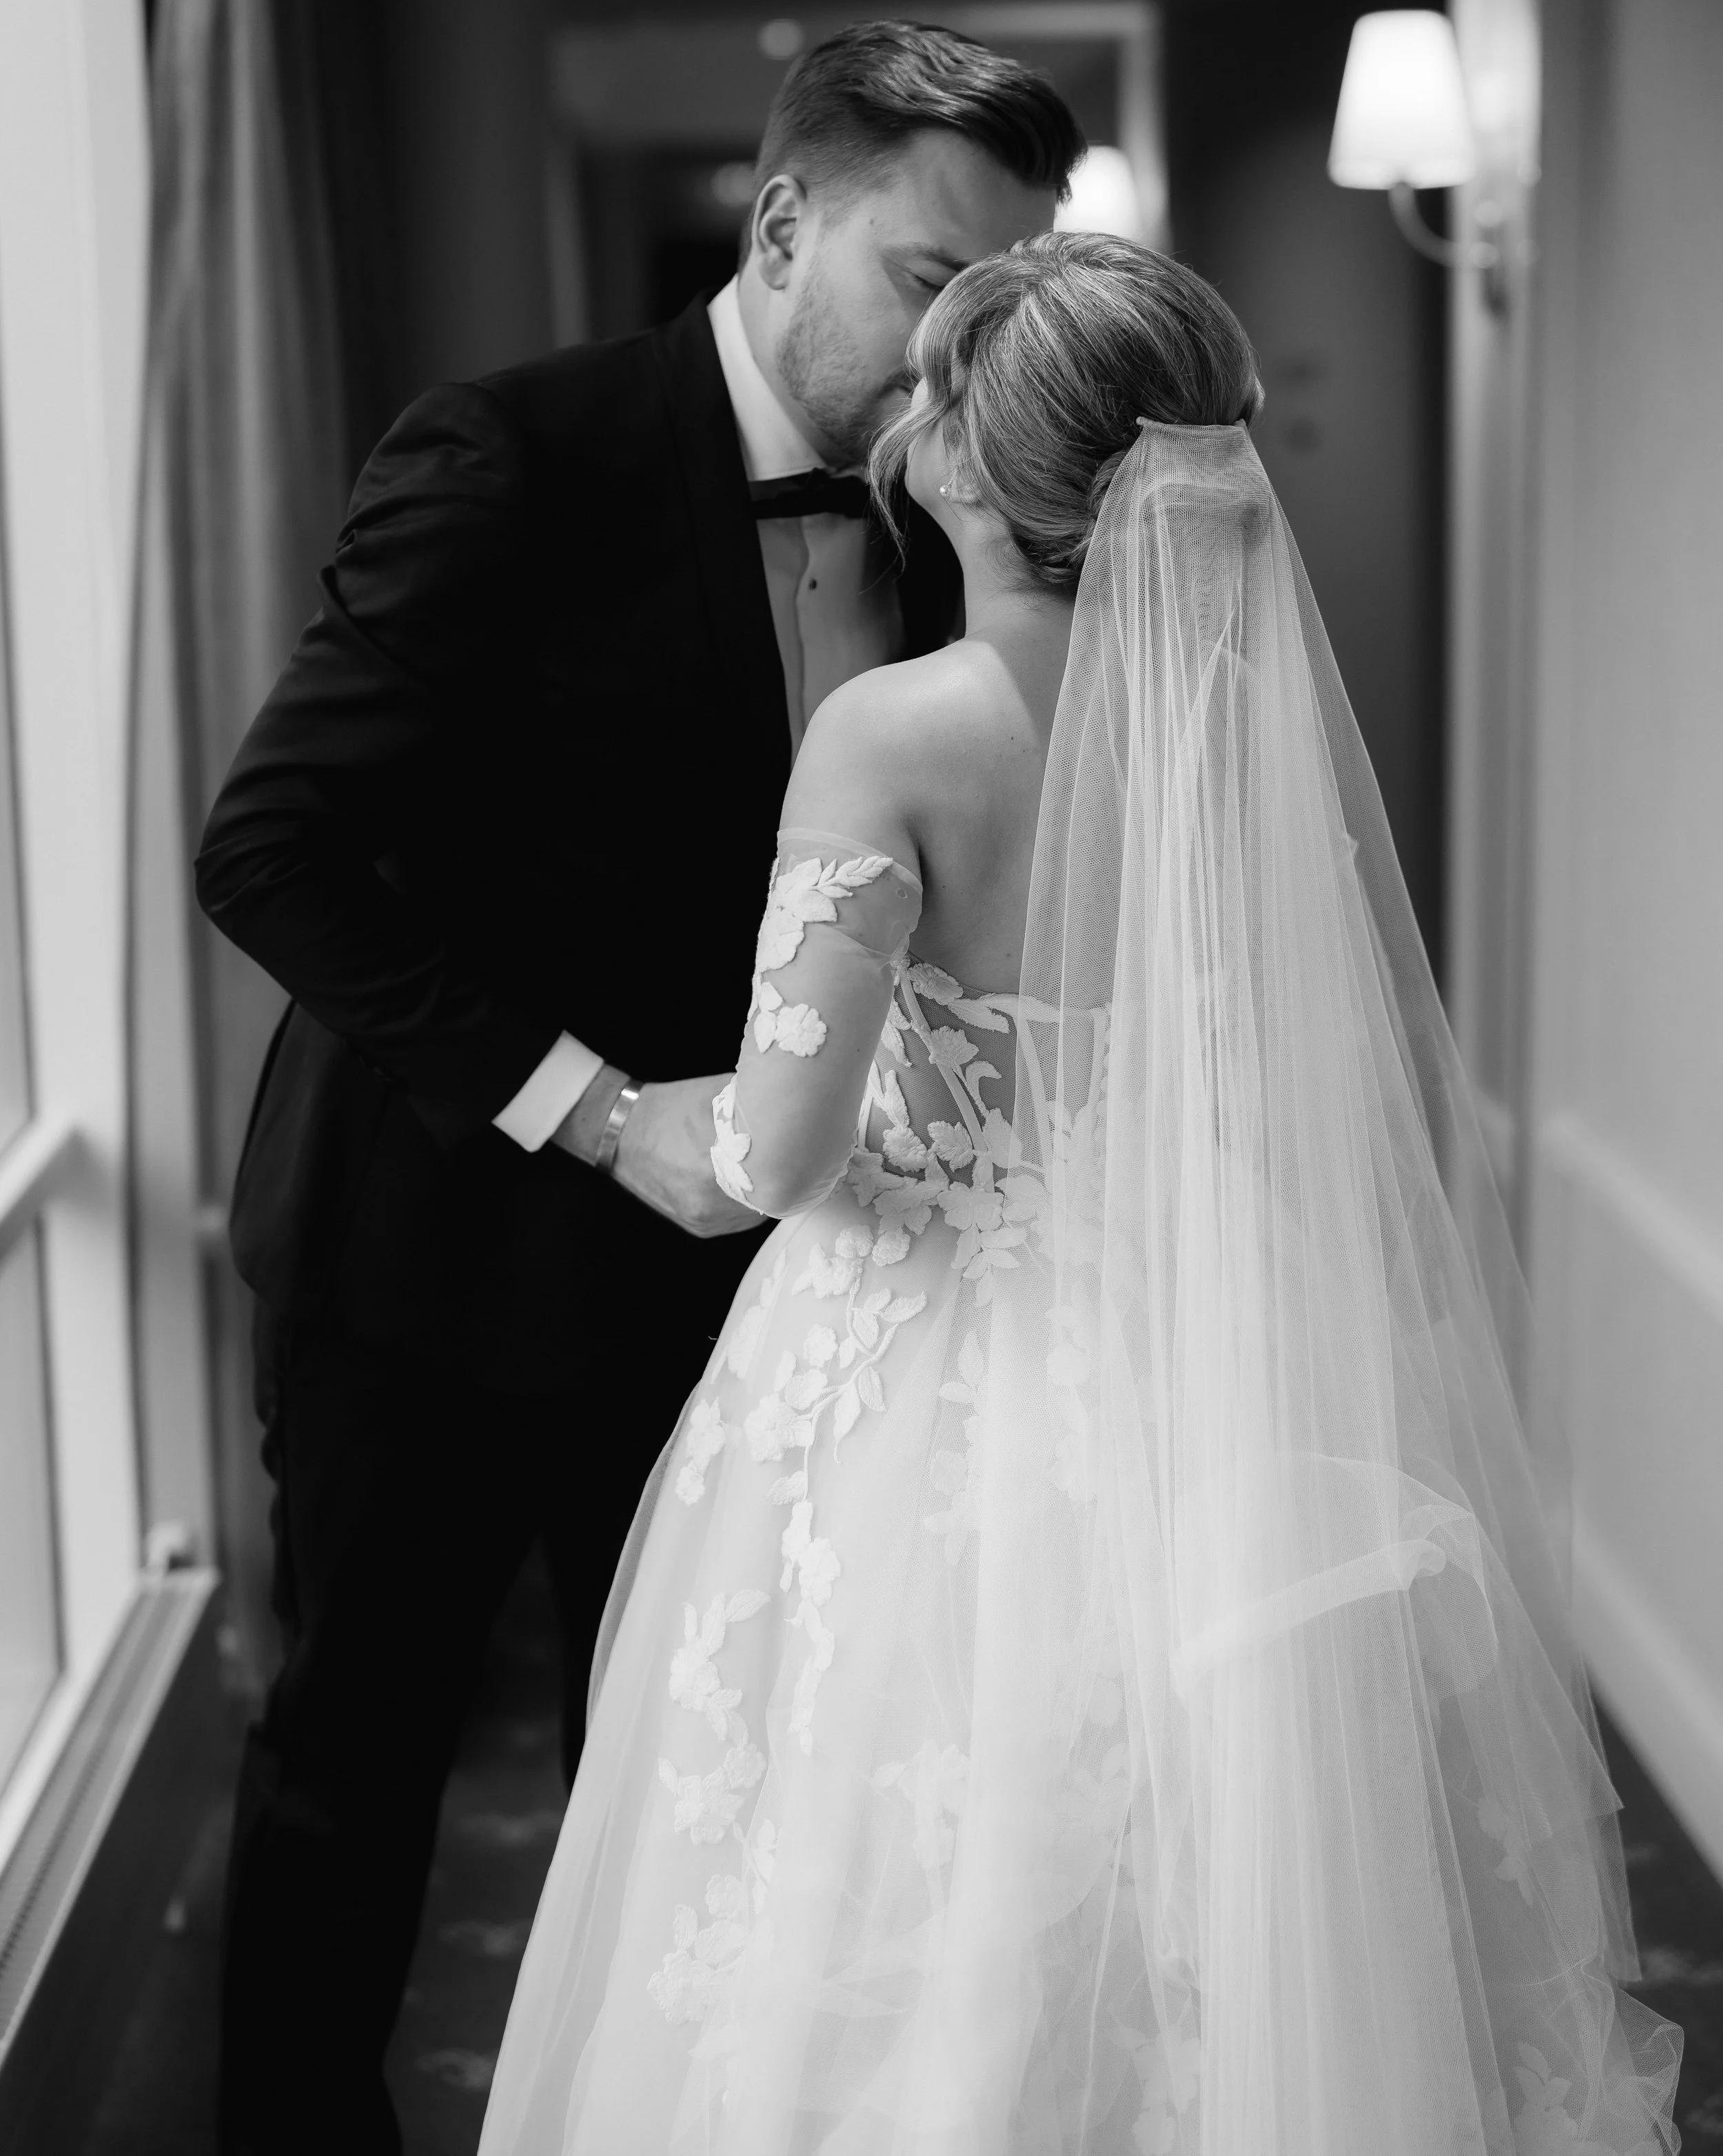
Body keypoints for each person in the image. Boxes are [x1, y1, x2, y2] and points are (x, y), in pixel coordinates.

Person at [477, 234, 1681, 2154]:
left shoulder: (892, 731)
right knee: (1185, 1891)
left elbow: (772, 1159)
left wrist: (622, 1113)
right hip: (1181, 1355)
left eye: (939, 388)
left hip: (922, 1378)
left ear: (966, 458)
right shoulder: (1223, 739)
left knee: (878, 1890)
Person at [194, 21, 1084, 2156]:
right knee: (357, 1763)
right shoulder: (511, 454)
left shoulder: (957, 525)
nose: (958, 350)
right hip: (431, 1250)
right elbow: (269, 845)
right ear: (781, 223)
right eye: (923, 279)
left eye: (998, 299)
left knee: (699, 1774)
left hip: (756, 1292)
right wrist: (602, 1108)